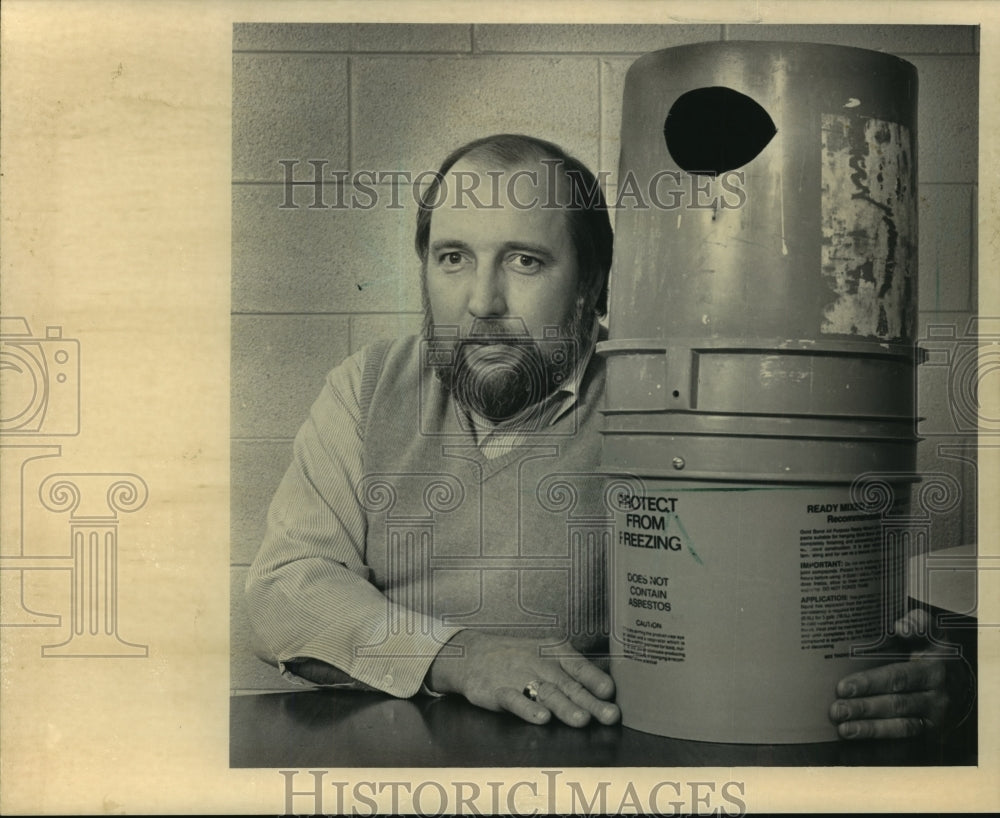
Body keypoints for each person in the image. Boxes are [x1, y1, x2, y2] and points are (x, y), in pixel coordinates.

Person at [246, 133, 972, 738]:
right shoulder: (366, 387)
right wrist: (459, 658)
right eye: (453, 258)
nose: (482, 302)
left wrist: (940, 668)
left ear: (593, 283)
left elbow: (790, 597)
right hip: (399, 758)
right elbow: (284, 593)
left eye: (525, 261)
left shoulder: (665, 397)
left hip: (608, 758)